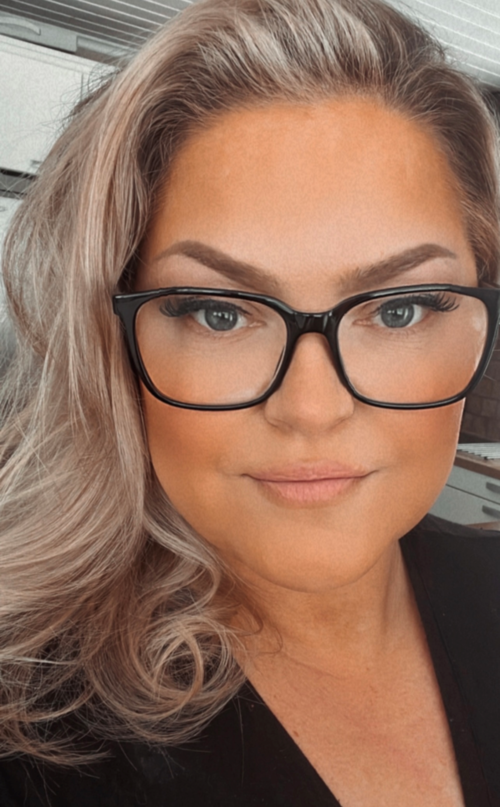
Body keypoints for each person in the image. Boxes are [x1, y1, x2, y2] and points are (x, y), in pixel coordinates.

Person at [0, 0, 499, 804]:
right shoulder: (30, 736)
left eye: (399, 309)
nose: (312, 409)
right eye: (219, 313)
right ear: (111, 338)